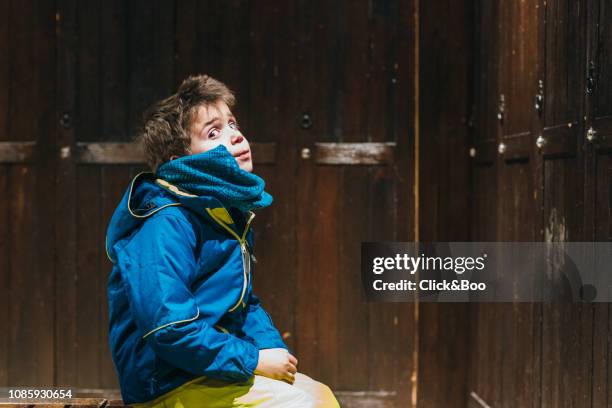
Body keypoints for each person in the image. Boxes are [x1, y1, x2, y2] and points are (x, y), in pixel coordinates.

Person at [105, 74, 340, 407]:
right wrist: (252, 360)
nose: (235, 135)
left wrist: (269, 347)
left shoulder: (221, 214)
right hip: (168, 383)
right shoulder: (166, 222)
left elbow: (242, 302)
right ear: (180, 161)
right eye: (213, 132)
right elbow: (169, 328)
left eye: (233, 124)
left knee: (320, 394)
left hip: (209, 368)